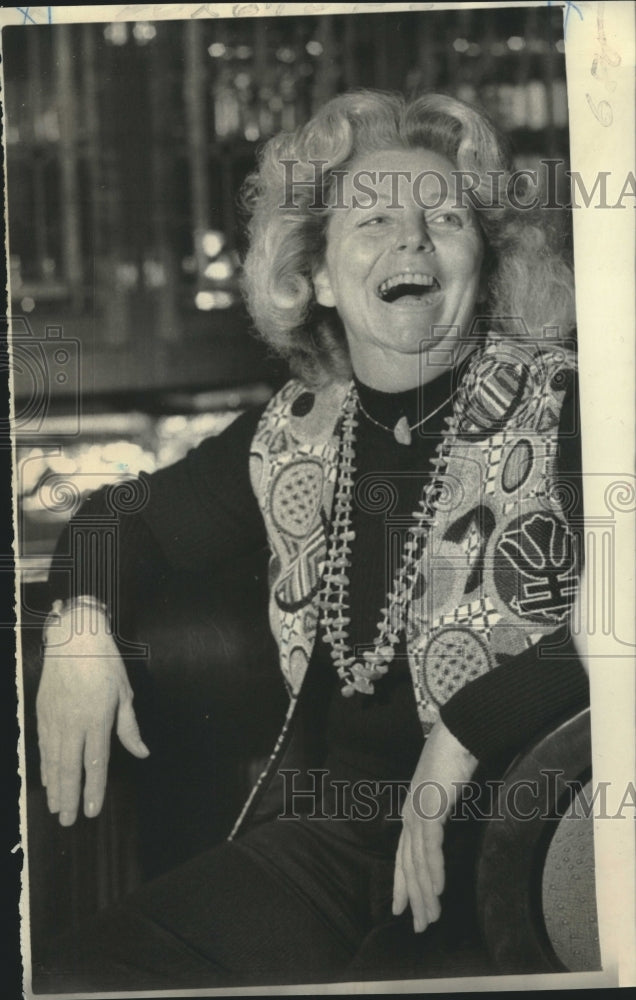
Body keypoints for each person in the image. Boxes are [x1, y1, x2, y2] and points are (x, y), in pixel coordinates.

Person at [34, 91, 589, 991]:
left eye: (443, 217)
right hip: (334, 850)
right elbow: (115, 521)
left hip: (526, 839)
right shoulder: (297, 431)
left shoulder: (565, 404)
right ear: (319, 275)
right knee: (82, 977)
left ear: (482, 263)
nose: (411, 239)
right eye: (372, 220)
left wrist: (465, 731)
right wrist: (81, 625)